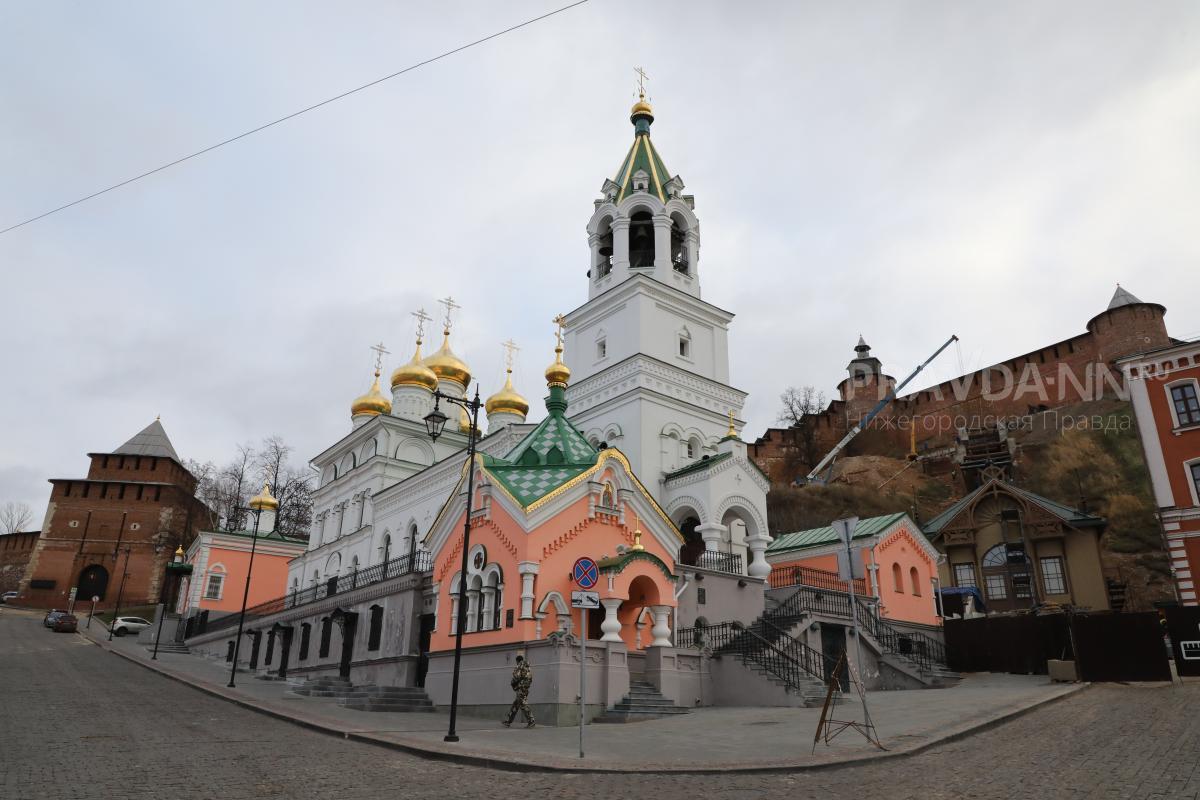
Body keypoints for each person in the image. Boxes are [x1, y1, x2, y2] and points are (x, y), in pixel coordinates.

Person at [502, 654, 535, 728]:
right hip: (526, 687)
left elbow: (517, 676)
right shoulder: (528, 667)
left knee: (523, 704)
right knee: (516, 704)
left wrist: (513, 683)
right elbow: (530, 678)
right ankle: (508, 721)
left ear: (517, 661)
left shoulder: (520, 666)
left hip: (520, 687)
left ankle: (531, 721)